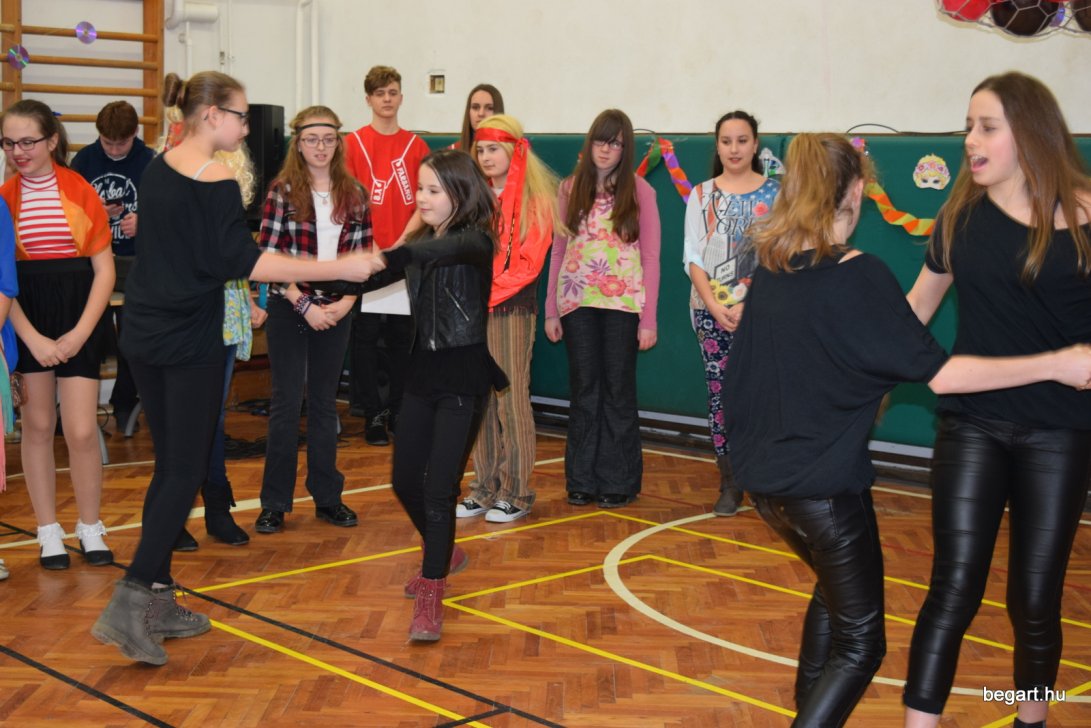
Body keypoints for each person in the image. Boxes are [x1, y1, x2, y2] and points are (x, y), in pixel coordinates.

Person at [722, 132, 1091, 728]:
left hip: (767, 487)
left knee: (833, 597)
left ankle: (807, 710)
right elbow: (943, 376)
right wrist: (1057, 363)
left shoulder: (772, 268)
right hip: (824, 491)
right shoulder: (858, 273)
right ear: (857, 191)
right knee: (862, 644)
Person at [91, 70, 377, 666]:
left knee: (170, 466)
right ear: (212, 116)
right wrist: (339, 268)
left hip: (142, 332)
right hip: (187, 339)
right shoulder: (216, 177)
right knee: (184, 468)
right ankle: (131, 600)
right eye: (241, 116)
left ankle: (159, 596)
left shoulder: (159, 166)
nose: (247, 128)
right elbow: (243, 260)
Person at [902, 72, 1091, 728]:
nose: (970, 140)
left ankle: (1027, 718)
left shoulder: (1087, 213)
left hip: (1061, 433)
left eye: (986, 127)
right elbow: (913, 313)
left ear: (1029, 133)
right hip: (973, 425)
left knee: (1034, 600)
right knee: (952, 589)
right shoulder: (958, 219)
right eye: (967, 128)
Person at [346, 149, 505, 641]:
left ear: (460, 193)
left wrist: (392, 251)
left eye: (433, 190)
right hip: (420, 374)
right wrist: (309, 279)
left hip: (463, 376)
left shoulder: (476, 240)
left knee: (439, 490)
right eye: (419, 189)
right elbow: (374, 277)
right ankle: (446, 551)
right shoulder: (422, 242)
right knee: (403, 481)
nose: (422, 198)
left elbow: (429, 253)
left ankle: (432, 592)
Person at [1, 99, 116, 570]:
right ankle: (48, 531)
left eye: (28, 141)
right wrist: (32, 338)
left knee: (82, 429)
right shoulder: (4, 198)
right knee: (39, 426)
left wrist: (79, 334)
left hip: (78, 315)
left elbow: (104, 271)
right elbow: (4, 281)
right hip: (27, 317)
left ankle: (90, 526)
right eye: (9, 143)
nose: (18, 151)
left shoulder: (80, 189)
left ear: (51, 141)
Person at [254, 106, 371, 534]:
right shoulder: (281, 192)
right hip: (290, 306)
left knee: (324, 404)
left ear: (338, 143)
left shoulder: (355, 194)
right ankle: (274, 503)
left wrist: (345, 303)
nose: (320, 147)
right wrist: (303, 303)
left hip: (336, 308)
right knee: (286, 403)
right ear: (298, 144)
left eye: (328, 139)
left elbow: (362, 256)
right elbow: (269, 256)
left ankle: (327, 497)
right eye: (311, 139)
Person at [155, 109, 266, 551]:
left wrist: (250, 300)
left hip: (225, 311)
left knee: (212, 418)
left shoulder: (226, 179)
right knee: (179, 419)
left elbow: (234, 253)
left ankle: (217, 509)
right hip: (183, 315)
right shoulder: (170, 178)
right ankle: (173, 515)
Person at [544, 109, 660, 509]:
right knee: (584, 388)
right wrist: (551, 309)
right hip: (577, 302)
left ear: (625, 149)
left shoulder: (641, 191)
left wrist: (648, 319)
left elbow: (651, 257)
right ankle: (581, 479)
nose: (606, 150)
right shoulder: (569, 188)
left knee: (618, 389)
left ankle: (618, 479)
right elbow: (558, 249)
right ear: (589, 142)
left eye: (615, 143)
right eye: (600, 141)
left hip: (623, 304)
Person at [455, 114, 559, 523]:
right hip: (472, 307)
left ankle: (515, 491)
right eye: (480, 149)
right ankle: (484, 486)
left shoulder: (538, 200)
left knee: (510, 398)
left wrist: (487, 291)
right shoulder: (471, 197)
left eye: (493, 149)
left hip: (511, 308)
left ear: (515, 151)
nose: (485, 156)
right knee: (477, 397)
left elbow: (529, 263)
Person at [683, 110, 779, 517]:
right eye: (726, 141)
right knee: (720, 393)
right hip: (710, 311)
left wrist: (747, 302)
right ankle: (731, 480)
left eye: (742, 140)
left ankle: (763, 478)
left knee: (761, 393)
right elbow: (692, 255)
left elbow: (777, 255)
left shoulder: (776, 194)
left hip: (761, 311)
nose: (734, 149)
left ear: (755, 145)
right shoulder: (701, 194)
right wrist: (713, 304)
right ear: (717, 146)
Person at [344, 65, 431, 446]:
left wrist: (400, 245)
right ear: (368, 99)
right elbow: (347, 199)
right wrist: (372, 247)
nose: (386, 99)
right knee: (366, 338)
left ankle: (398, 408)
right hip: (365, 255)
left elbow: (425, 201)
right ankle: (373, 413)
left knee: (401, 337)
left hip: (403, 256)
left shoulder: (416, 146)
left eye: (392, 92)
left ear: (401, 97)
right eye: (379, 93)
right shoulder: (353, 144)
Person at [70, 101, 155, 433]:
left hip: (137, 263)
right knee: (91, 336)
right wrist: (95, 215)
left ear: (135, 134)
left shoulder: (151, 162)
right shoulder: (84, 161)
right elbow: (68, 218)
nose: (116, 150)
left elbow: (172, 216)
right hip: (92, 264)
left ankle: (125, 403)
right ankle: (77, 407)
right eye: (109, 143)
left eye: (123, 143)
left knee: (132, 339)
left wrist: (145, 222)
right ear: (99, 136)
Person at [454, 84, 504, 151]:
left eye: (489, 108)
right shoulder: (453, 153)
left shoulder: (513, 151)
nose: (481, 113)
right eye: (475, 107)